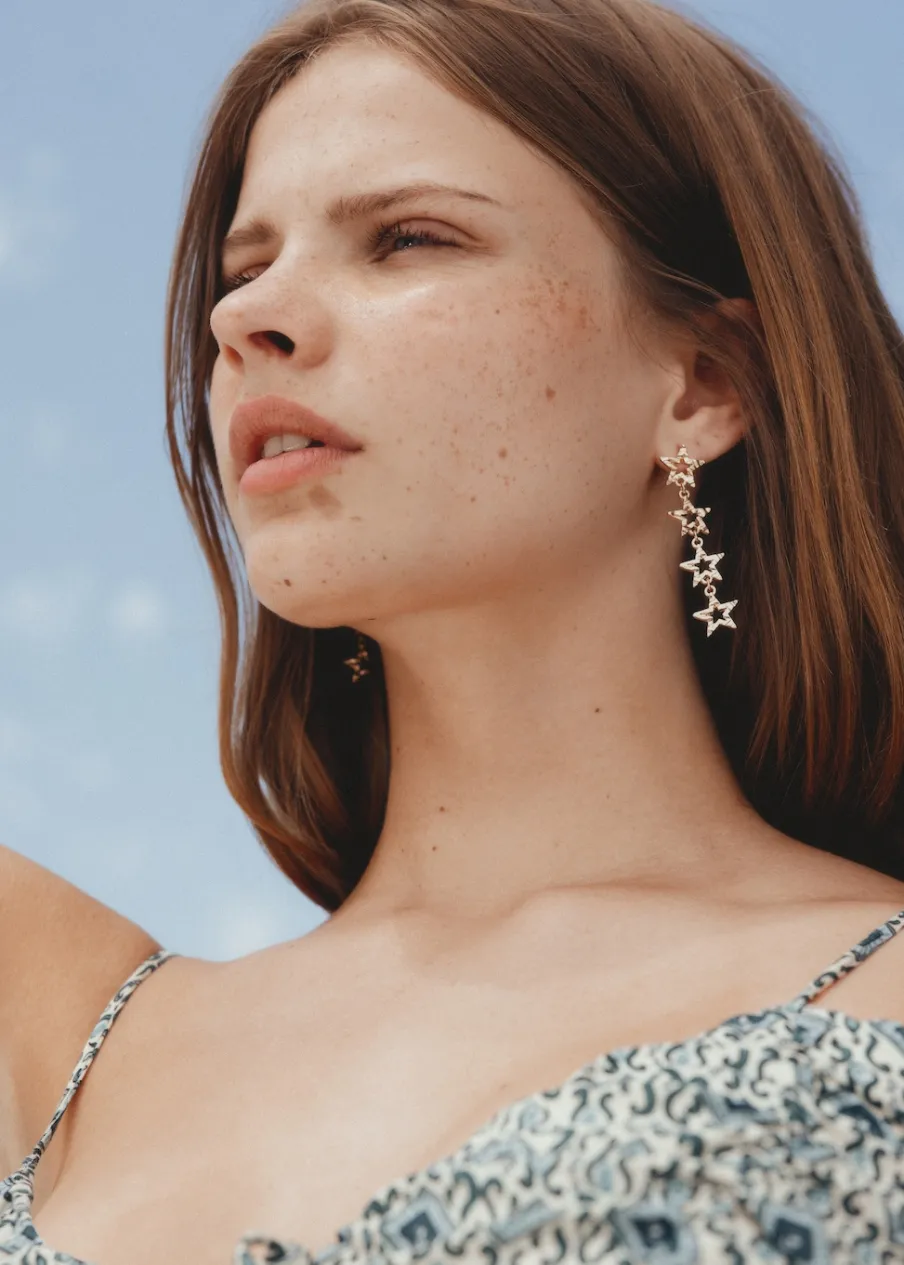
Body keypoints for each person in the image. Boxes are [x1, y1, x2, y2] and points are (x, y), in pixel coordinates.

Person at [3, 0, 904, 1261]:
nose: (243, 318)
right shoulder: (49, 1020)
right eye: (242, 268)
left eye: (407, 238)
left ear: (705, 382)